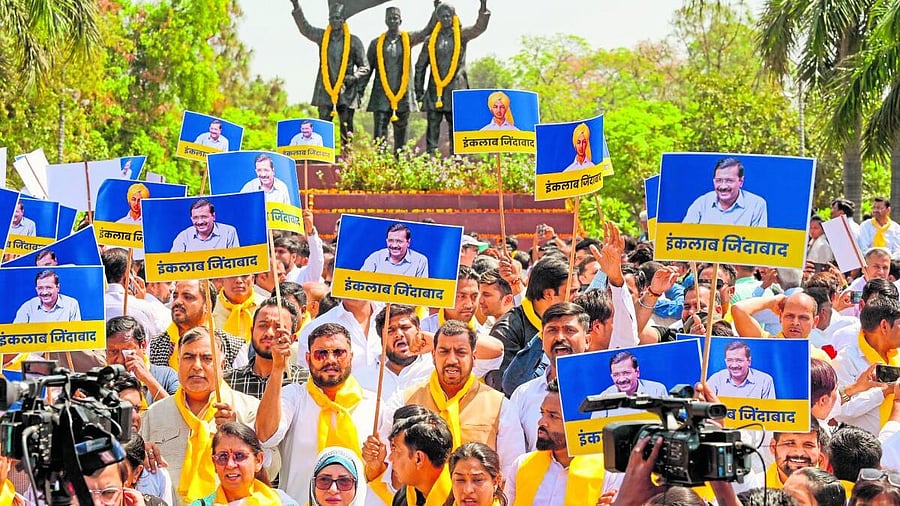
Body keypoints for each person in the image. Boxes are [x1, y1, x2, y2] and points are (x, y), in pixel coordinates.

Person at [380, 320, 525, 472]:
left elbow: (511, 470)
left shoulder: (500, 406)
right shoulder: (403, 402)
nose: (451, 360)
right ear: (433, 355)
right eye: (444, 351)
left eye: (460, 352)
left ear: (474, 357)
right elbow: (391, 465)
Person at [256, 322, 377, 503]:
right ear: (307, 358)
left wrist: (376, 464)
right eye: (321, 354)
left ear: (351, 357)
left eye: (338, 353)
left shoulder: (375, 406)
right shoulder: (294, 396)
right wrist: (277, 369)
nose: (330, 360)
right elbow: (266, 436)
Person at [142, 326, 261, 505]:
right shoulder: (154, 415)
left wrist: (238, 433)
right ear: (178, 362)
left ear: (222, 365)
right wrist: (140, 453)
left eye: (207, 358)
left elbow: (269, 470)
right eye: (188, 357)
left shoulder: (248, 409)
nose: (196, 366)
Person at [505, 379, 605, 505]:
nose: (541, 422)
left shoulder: (608, 473)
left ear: (579, 422)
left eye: (553, 416)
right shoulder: (522, 465)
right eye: (542, 413)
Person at [414, 1, 491, 154]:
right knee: (432, 129)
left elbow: (479, 28)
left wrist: (483, 7)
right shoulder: (430, 40)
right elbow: (420, 67)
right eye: (442, 16)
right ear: (438, 18)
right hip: (436, 91)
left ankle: (457, 164)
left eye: (448, 16)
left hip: (456, 90)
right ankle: (431, 163)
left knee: (456, 129)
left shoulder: (461, 35)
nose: (446, 19)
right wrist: (419, 92)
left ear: (453, 16)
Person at [291, 2, 370, 150]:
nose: (334, 21)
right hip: (325, 90)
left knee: (346, 127)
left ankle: (347, 158)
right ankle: (324, 157)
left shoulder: (354, 41)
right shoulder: (322, 37)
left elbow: (365, 67)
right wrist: (296, 6)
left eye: (338, 18)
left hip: (346, 91)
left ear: (343, 20)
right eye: (332, 18)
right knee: (323, 127)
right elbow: (305, 28)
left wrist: (354, 77)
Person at [365, 6, 436, 153]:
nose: (393, 21)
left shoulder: (408, 39)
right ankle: (379, 165)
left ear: (400, 21)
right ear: (385, 21)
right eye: (390, 18)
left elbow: (427, 30)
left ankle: (400, 164)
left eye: (395, 18)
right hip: (381, 95)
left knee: (401, 135)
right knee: (379, 134)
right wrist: (358, 92)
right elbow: (367, 69)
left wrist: (436, 10)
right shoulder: (376, 43)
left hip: (403, 94)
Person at [833, 296, 900, 435]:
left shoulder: (897, 355)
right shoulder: (846, 359)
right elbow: (840, 411)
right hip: (863, 451)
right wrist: (884, 391)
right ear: (884, 326)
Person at [148, 280, 244, 371]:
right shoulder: (155, 346)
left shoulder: (231, 347)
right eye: (175, 296)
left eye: (187, 297)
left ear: (207, 305)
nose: (177, 302)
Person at [189, 422, 293, 506]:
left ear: (258, 460)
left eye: (239, 456)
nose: (230, 464)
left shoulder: (282, 502)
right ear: (214, 463)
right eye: (223, 457)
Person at [226, 297, 309, 399]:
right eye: (263, 326)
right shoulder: (229, 382)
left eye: (278, 327)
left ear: (292, 338)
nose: (269, 333)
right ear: (252, 332)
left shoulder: (306, 383)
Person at [106, 316, 179, 405]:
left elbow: (177, 413)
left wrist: (147, 379)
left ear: (143, 345)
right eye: (114, 352)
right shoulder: (100, 382)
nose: (120, 360)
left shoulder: (167, 376)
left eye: (127, 352)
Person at [388, 413, 454, 506]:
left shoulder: (462, 499)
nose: (390, 458)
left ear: (418, 459)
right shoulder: (403, 498)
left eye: (397, 452)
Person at [682, 157, 768, 227]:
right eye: (719, 180)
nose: (723, 186)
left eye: (729, 181)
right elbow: (683, 237)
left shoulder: (756, 205)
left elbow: (758, 244)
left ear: (741, 182)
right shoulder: (701, 203)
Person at [766, 419, 829, 489]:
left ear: (818, 448)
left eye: (808, 445)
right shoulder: (757, 486)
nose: (799, 453)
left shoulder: (837, 491)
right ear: (773, 447)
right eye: (790, 444)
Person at [706, 340, 777, 399]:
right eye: (730, 360)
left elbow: (770, 412)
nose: (734, 365)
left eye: (739, 360)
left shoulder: (765, 381)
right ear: (725, 361)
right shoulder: (716, 379)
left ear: (749, 361)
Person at [361, 222, 429, 278]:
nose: (394, 245)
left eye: (399, 241)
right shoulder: (375, 257)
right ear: (386, 241)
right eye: (391, 241)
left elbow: (422, 291)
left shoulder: (420, 261)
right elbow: (360, 283)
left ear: (408, 242)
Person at [170, 198, 240, 252]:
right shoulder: (183, 236)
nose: (200, 222)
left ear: (213, 216)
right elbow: (172, 264)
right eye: (195, 218)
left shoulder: (229, 232)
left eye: (204, 217)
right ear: (191, 219)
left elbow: (236, 263)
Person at [13, 269, 81, 323]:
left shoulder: (71, 304)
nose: (44, 292)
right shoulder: (27, 307)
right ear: (36, 289)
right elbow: (14, 334)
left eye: (48, 287)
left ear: (58, 287)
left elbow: (77, 334)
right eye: (40, 288)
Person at [213, 274, 265, 341]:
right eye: (232, 275)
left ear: (252, 279)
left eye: (244, 275)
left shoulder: (266, 306)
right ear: (222, 280)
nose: (238, 281)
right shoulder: (208, 307)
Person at [600, 351, 668, 397]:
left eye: (626, 373)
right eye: (616, 375)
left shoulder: (657, 391)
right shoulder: (604, 397)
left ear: (637, 372)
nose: (621, 379)